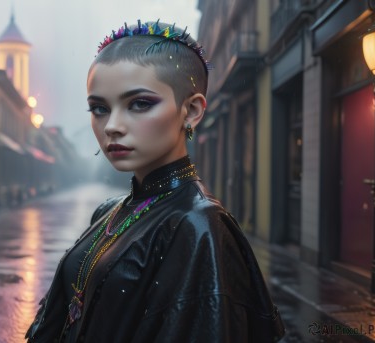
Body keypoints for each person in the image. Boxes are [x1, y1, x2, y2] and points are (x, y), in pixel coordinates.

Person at [25, 20, 285, 342]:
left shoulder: (198, 225)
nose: (112, 126)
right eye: (100, 108)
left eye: (139, 104)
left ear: (191, 111)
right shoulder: (110, 210)